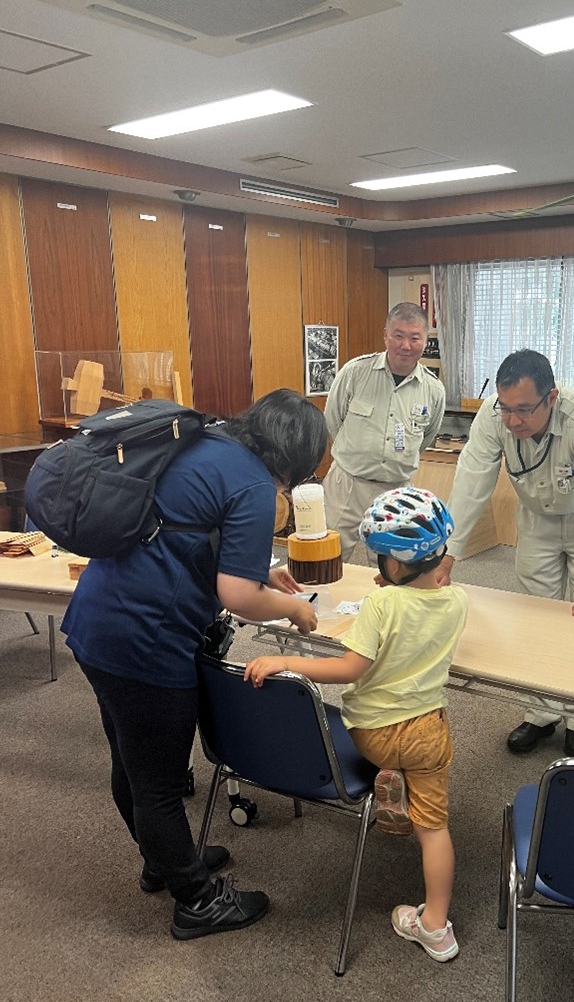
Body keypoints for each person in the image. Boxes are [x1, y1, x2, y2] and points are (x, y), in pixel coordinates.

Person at [62, 390, 328, 940]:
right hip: (145, 641)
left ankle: (165, 858)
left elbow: (189, 530)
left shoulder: (205, 441)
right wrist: (292, 607)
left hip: (97, 619)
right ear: (296, 461)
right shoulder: (255, 482)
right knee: (157, 780)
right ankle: (196, 899)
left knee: (131, 759)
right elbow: (237, 596)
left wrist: (260, 570)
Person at [244, 487, 469, 962]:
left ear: (396, 565)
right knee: (434, 829)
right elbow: (429, 601)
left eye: (381, 557)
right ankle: (435, 929)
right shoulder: (458, 602)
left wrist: (285, 660)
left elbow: (349, 669)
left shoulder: (382, 606)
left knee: (386, 756)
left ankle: (388, 780)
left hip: (376, 736)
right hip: (430, 732)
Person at [437, 350, 574, 758]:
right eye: (506, 408)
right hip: (538, 518)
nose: (512, 420)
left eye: (524, 410)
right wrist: (447, 553)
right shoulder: (494, 417)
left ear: (552, 398)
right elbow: (472, 480)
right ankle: (540, 713)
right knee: (534, 615)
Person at [323, 302, 446, 561]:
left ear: (426, 340)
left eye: (415, 338)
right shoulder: (356, 372)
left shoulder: (434, 389)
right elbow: (333, 419)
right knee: (328, 556)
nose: (406, 345)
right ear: (385, 335)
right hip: (348, 482)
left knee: (390, 564)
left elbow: (427, 437)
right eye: (398, 336)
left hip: (396, 490)